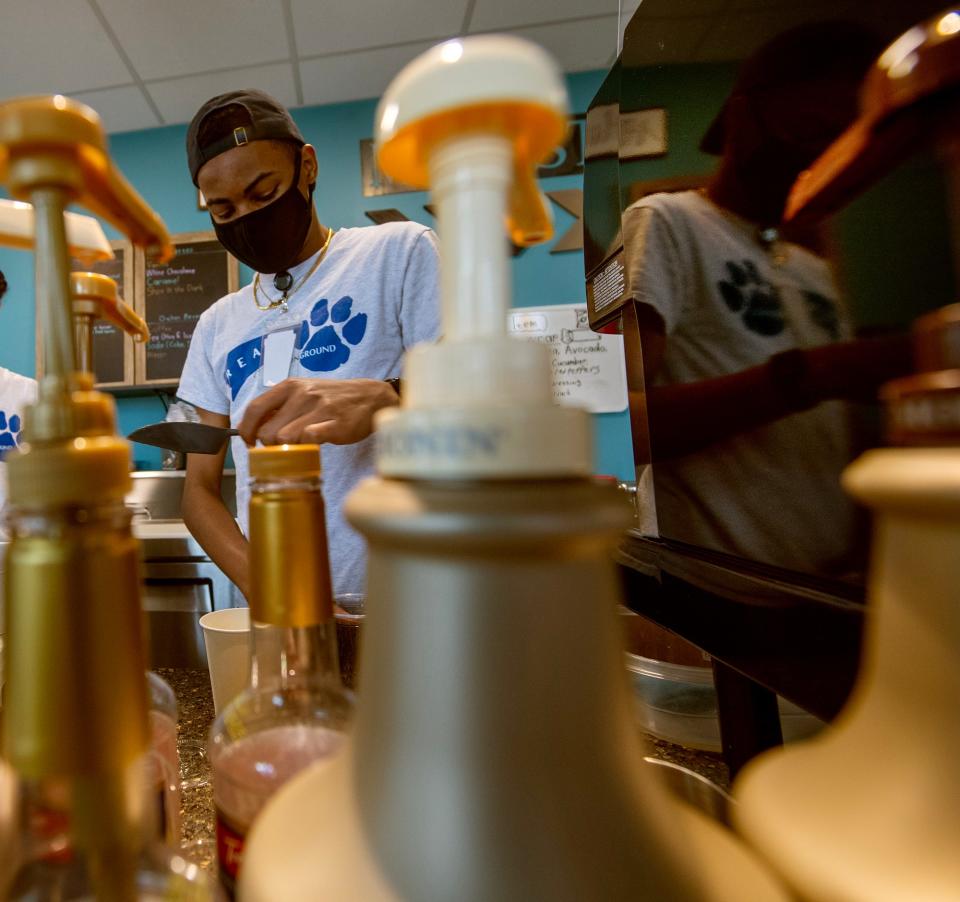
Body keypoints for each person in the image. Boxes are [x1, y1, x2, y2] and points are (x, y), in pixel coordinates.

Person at [622, 22, 912, 575]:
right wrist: (808, 375)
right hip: (719, 590)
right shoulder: (667, 222)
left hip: (823, 582)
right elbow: (620, 425)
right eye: (809, 130)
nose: (819, 158)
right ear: (742, 119)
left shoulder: (811, 268)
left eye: (841, 141)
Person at [177, 91, 441, 599]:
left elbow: (481, 406)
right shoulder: (215, 325)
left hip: (404, 602)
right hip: (282, 610)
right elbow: (198, 491)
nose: (247, 218)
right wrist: (273, 588)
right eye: (223, 208)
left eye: (263, 192)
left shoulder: (398, 253)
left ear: (307, 167)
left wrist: (391, 397)